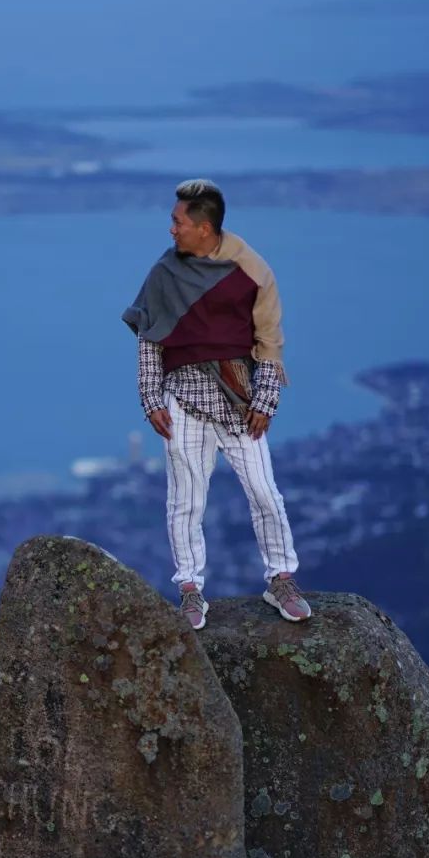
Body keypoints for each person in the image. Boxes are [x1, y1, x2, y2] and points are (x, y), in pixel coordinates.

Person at [121, 178, 311, 630]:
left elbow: (268, 342)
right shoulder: (165, 273)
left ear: (203, 228)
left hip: (240, 403)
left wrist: (266, 400)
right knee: (185, 502)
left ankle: (281, 578)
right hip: (183, 401)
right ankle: (189, 589)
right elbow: (150, 340)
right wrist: (151, 400)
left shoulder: (252, 271)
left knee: (265, 492)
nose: (171, 229)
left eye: (177, 221)